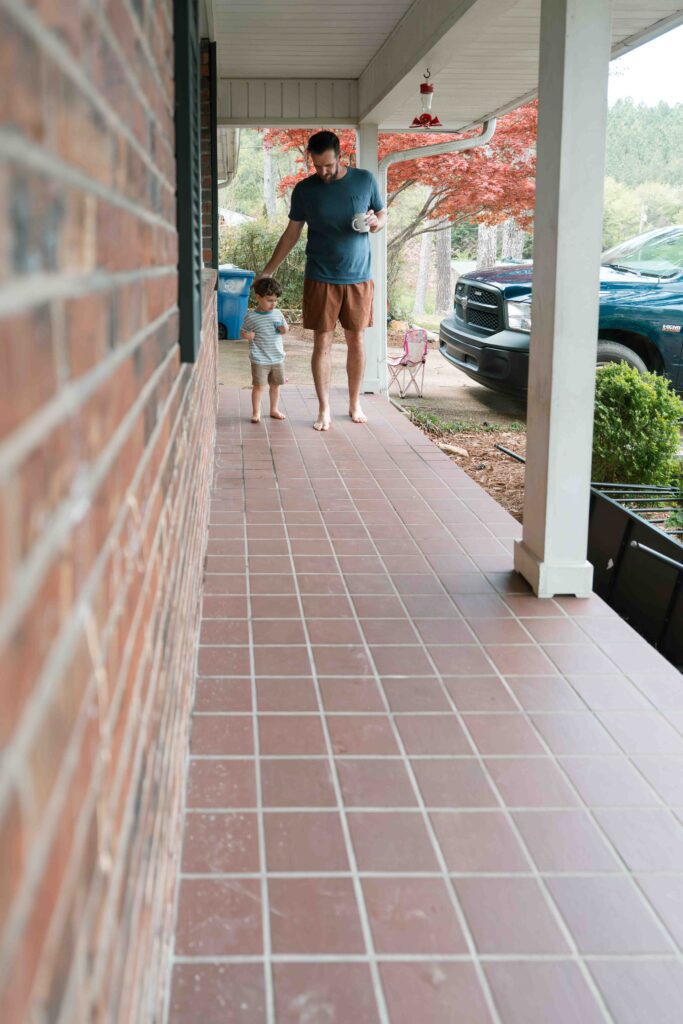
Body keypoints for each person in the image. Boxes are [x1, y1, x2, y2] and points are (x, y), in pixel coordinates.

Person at [256, 130, 387, 431]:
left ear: (340, 156)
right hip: (320, 276)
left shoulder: (364, 180)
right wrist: (268, 270)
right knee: (322, 341)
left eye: (328, 165)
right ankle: (324, 408)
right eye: (317, 166)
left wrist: (375, 223)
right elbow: (291, 234)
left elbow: (381, 215)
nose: (324, 172)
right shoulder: (305, 190)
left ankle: (354, 403)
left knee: (356, 340)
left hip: (358, 276)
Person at [240, 276, 289, 424]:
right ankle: (256, 412)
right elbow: (242, 331)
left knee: (275, 386)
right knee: (259, 387)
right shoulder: (251, 317)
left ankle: (274, 409)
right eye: (269, 300)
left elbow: (285, 329)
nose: (273, 304)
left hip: (277, 358)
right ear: (258, 297)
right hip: (259, 359)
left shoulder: (278, 314)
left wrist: (284, 329)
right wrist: (247, 335)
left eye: (275, 300)